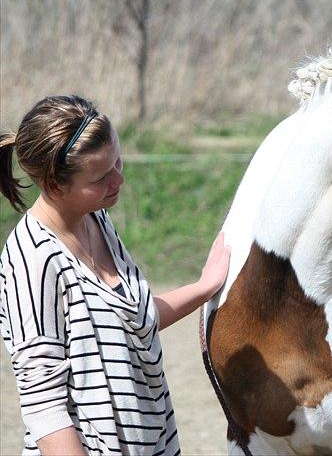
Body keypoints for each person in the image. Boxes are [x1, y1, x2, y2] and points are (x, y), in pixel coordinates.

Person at [0, 95, 231, 455]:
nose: (119, 178)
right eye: (102, 176)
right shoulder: (33, 260)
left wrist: (204, 287)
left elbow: (134, 321)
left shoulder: (96, 218)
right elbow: (44, 408)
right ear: (55, 185)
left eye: (117, 161)